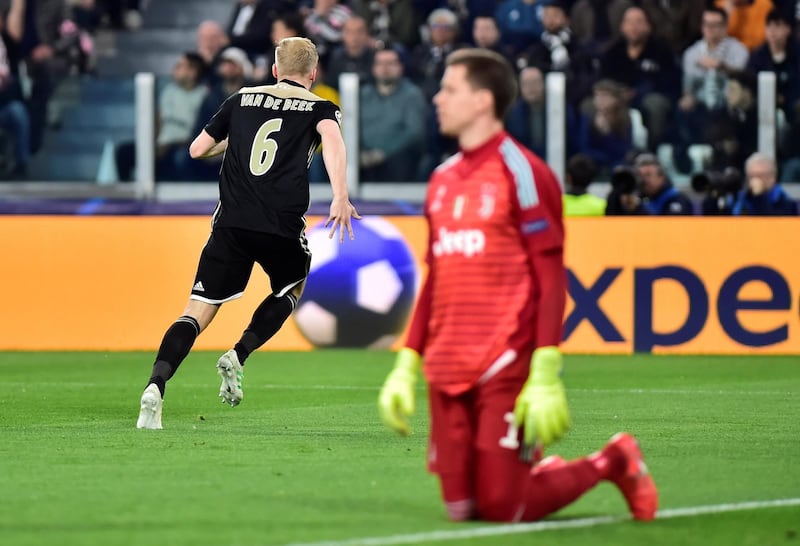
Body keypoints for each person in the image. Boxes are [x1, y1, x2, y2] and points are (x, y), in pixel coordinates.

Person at [377, 48, 658, 523]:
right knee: (461, 509)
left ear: (483, 100)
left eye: (450, 89)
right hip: (447, 361)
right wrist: (407, 362)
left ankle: (612, 461)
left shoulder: (524, 173)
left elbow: (551, 276)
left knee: (503, 507)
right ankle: (531, 466)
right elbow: (436, 277)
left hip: (506, 358)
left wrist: (545, 368)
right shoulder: (441, 180)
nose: (438, 99)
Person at [136, 37, 361, 430]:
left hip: (231, 225)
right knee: (291, 288)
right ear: (313, 74)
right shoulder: (320, 107)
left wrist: (235, 142)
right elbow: (333, 142)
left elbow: (196, 150)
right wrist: (340, 195)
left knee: (196, 312)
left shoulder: (242, 98)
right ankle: (238, 355)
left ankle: (155, 386)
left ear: (274, 70)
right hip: (280, 226)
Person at [732, 152, 798, 215]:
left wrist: (759, 197)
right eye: (752, 176)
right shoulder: (742, 198)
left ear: (772, 177)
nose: (755, 180)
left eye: (760, 176)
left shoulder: (785, 202)